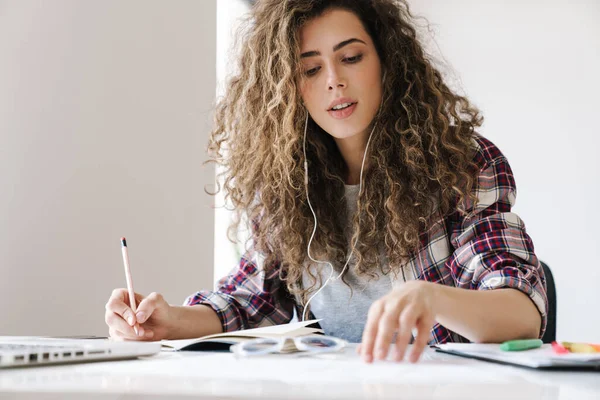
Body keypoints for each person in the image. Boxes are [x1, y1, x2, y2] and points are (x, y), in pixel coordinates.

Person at [105, 0, 547, 364]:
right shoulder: (286, 183)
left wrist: (432, 299)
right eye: (311, 69)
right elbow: (253, 300)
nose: (334, 80)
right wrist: (164, 321)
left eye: (351, 57)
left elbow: (521, 313)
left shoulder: (460, 165)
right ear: (287, 87)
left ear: (387, 61)